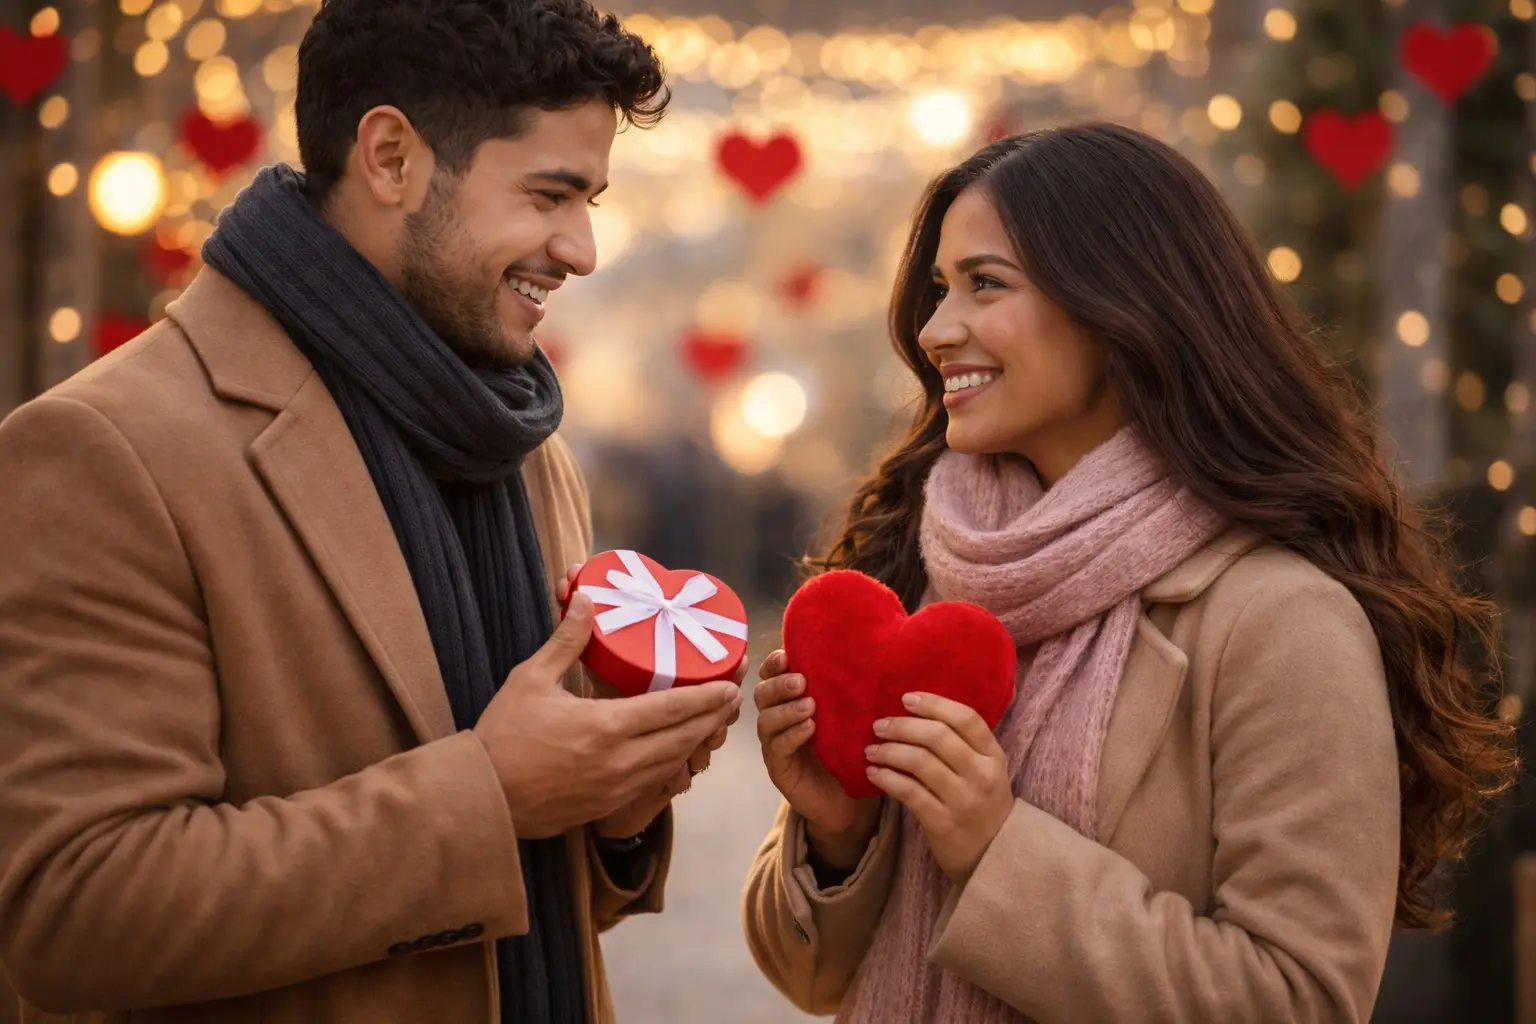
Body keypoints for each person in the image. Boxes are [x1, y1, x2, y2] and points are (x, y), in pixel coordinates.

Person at [0, 1, 743, 1021]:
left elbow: (499, 916)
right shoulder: (108, 450)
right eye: (549, 195)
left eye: (591, 202)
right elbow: (73, 915)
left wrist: (610, 807)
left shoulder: (523, 445)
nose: (581, 248)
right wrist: (491, 793)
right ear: (391, 158)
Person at [742, 123, 1519, 1022]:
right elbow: (812, 981)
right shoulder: (926, 567)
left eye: (985, 284)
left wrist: (996, 850)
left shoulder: (1282, 622)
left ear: (1118, 308)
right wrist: (839, 836)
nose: (935, 330)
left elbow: (1297, 998)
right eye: (940, 289)